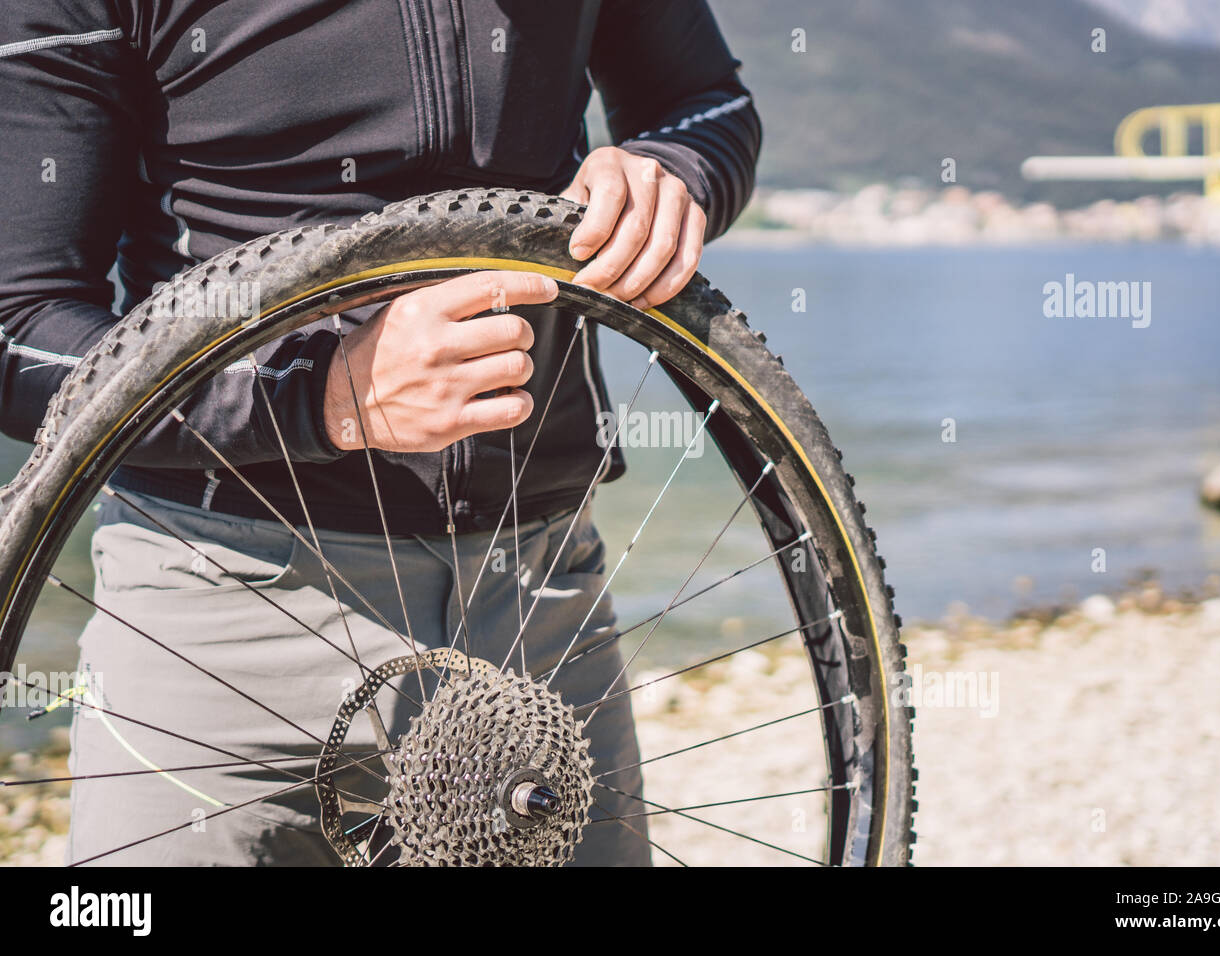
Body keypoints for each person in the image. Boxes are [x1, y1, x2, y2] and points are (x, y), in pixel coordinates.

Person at [0, 0, 760, 865]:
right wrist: (324, 396)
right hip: (224, 614)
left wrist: (672, 173)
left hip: (539, 603)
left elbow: (705, 103)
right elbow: (16, 327)